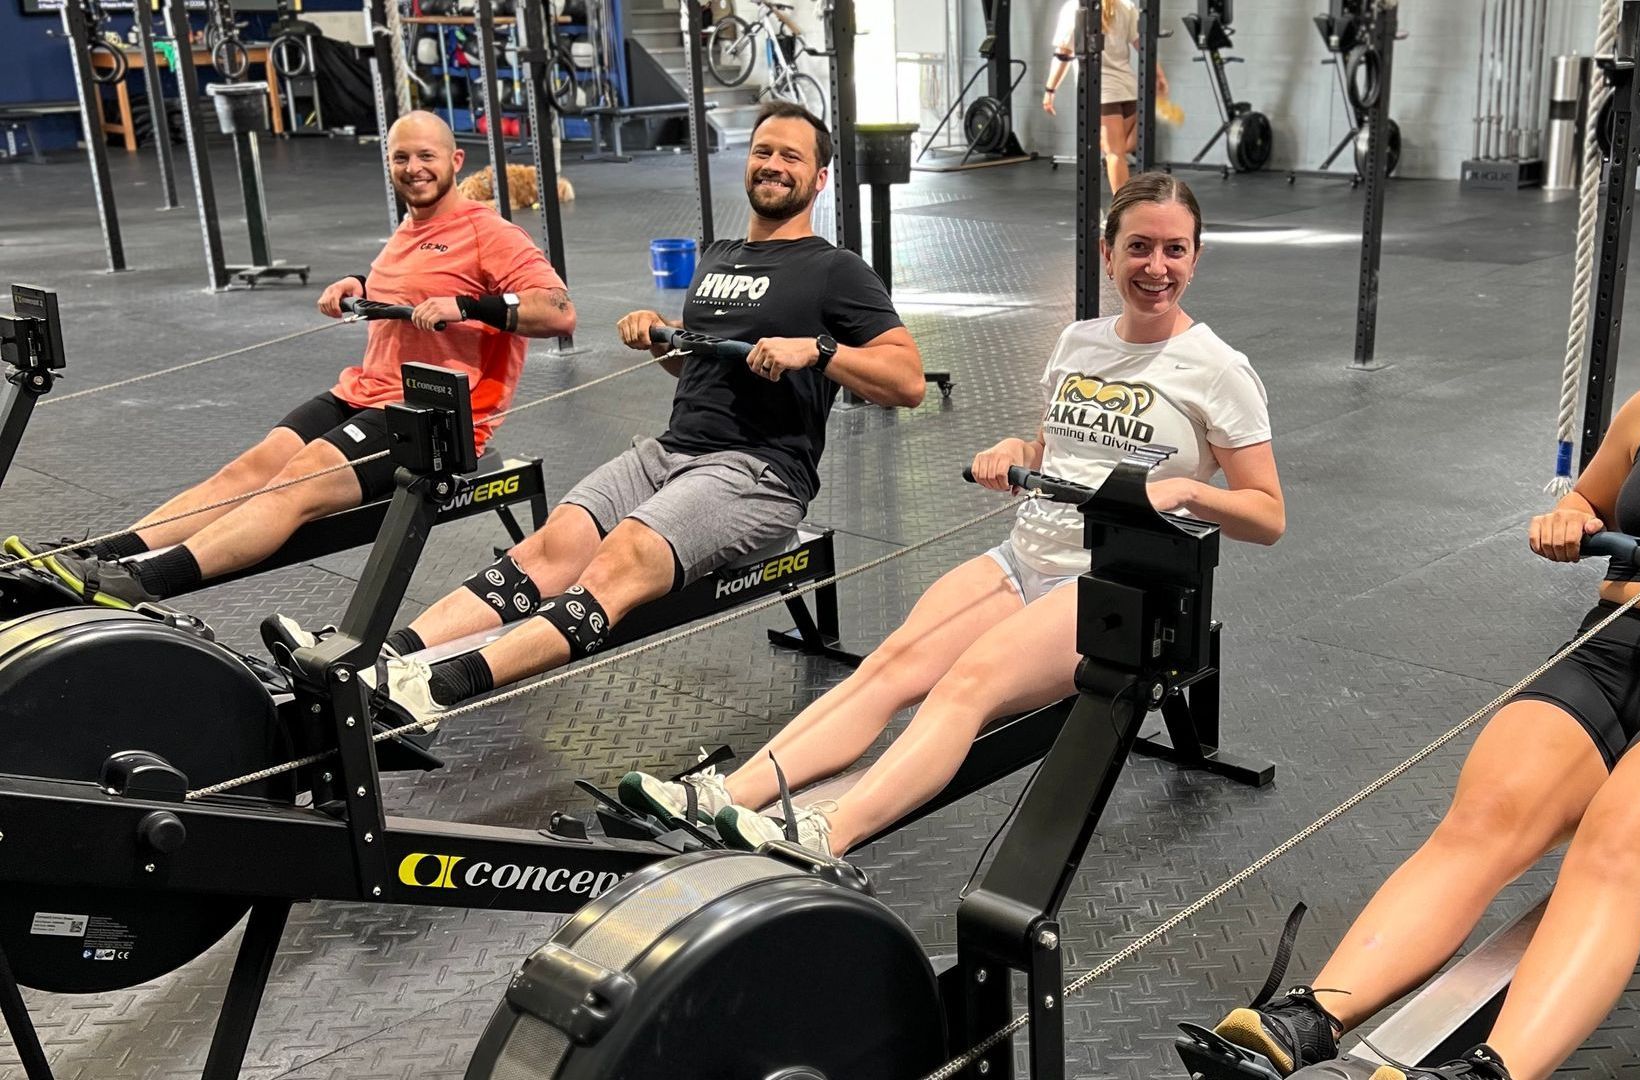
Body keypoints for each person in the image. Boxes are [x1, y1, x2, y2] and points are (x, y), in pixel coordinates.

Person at [1197, 214, 1640, 1080]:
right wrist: (1569, 519)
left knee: (1616, 850)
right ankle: (1306, 1020)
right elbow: (1589, 502)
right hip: (1603, 663)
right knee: (1480, 824)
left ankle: (1495, 1071)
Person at [620, 171, 1284, 858]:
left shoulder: (1216, 369)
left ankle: (827, 830)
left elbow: (1267, 515)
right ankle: (729, 795)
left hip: (1116, 585)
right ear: (1107, 251)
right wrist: (1014, 448)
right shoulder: (1079, 343)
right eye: (1139, 246)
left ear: (1196, 258)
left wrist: (1185, 493)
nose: (1156, 267)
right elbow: (1052, 449)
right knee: (890, 666)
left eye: (1175, 250)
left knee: (969, 683)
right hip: (1026, 556)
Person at [346, 102, 924, 726]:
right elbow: (695, 367)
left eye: (791, 157)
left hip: (757, 471)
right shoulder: (719, 256)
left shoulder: (834, 269)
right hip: (671, 452)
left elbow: (907, 379)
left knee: (621, 554)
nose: (773, 165)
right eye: (763, 152)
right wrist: (662, 339)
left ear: (818, 178)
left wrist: (819, 350)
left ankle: (432, 692)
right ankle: (375, 662)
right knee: (556, 543)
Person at [15, 111, 574, 607]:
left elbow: (558, 312)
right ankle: (97, 557)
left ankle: (145, 581)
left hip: (436, 416)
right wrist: (360, 284)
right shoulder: (411, 226)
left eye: (426, 156)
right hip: (361, 392)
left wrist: (466, 306)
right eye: (400, 157)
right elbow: (418, 278)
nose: (413, 168)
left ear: (454, 160)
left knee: (297, 481)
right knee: (250, 468)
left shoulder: (488, 232)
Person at [1044, 0, 1169, 197]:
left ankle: (1122, 210)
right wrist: (1159, 74)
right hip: (1127, 88)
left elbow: (1063, 55)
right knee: (1119, 147)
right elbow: (1142, 45)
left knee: (1115, 153)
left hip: (1102, 91)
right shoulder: (1125, 6)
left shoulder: (1075, 8)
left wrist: (1050, 90)